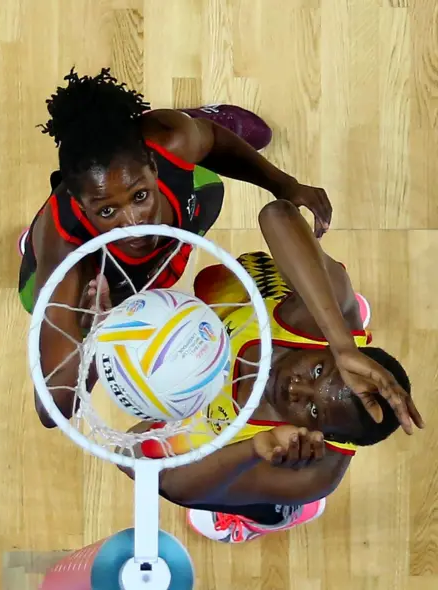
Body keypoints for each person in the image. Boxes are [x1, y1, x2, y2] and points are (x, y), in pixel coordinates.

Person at [18, 67, 334, 427]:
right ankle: (32, 241)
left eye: (139, 196)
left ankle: (196, 114)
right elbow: (52, 409)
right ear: (79, 202)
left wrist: (283, 184)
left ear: (152, 167)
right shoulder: (67, 258)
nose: (134, 223)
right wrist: (99, 331)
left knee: (210, 186)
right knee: (34, 299)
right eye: (107, 210)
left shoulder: (173, 141)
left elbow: (215, 139)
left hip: (163, 248)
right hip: (108, 286)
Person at [116, 199, 424, 544]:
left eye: (312, 410)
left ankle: (267, 516)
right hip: (268, 310)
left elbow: (161, 480)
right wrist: (339, 338)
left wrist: (252, 451)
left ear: (322, 434)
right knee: (234, 276)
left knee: (186, 471)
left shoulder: (315, 474)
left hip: (243, 446)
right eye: (319, 370)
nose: (297, 389)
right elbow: (276, 214)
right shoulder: (316, 331)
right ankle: (329, 306)